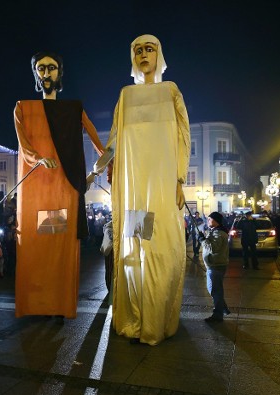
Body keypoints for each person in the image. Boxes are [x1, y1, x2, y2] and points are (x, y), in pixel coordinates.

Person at [91, 35, 190, 345]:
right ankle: (135, 319)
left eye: (149, 49)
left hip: (161, 186)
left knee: (162, 251)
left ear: (159, 54)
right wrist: (96, 167)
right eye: (137, 50)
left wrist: (179, 179)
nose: (143, 54)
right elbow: (114, 139)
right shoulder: (127, 95)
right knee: (135, 250)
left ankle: (157, 321)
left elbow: (183, 136)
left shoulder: (171, 91)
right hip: (134, 188)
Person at [13, 51, 104, 319]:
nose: (46, 73)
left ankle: (58, 305)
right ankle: (37, 305)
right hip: (36, 188)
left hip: (65, 187)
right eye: (41, 68)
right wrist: (38, 159)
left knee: (60, 249)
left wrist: (107, 162)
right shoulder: (23, 107)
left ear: (59, 73)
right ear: (36, 74)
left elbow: (97, 141)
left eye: (51, 68)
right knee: (36, 248)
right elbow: (24, 144)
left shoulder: (73, 108)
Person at [198, 212, 231, 322]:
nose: (208, 221)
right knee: (215, 289)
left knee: (215, 290)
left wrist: (202, 240)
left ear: (216, 221)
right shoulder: (215, 231)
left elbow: (213, 248)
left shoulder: (218, 233)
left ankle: (218, 314)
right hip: (214, 265)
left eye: (209, 219)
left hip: (216, 265)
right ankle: (223, 308)